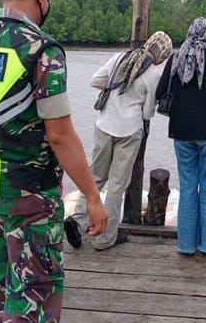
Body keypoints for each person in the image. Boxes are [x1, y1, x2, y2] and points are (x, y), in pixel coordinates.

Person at [0, 0, 108, 322]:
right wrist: (92, 195)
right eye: (49, 2)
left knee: (1, 289)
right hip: (32, 201)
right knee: (35, 293)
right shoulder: (41, 50)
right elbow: (60, 136)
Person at [65, 31, 173, 250]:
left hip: (104, 123)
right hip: (129, 130)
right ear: (162, 53)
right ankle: (105, 238)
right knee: (117, 184)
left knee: (95, 177)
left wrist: (113, 91)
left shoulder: (121, 57)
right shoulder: (153, 73)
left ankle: (78, 221)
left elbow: (96, 80)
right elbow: (148, 113)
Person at [155, 16, 206, 255]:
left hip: (181, 133)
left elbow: (160, 93)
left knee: (188, 189)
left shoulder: (174, 59)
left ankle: (186, 245)